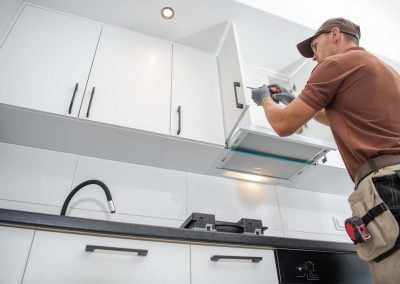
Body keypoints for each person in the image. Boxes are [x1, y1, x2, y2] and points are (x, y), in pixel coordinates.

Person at [251, 17, 400, 284]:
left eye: (315, 47)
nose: (313, 57)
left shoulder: (335, 64)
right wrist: (295, 101)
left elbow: (284, 125)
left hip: (387, 184)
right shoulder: (386, 72)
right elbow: (340, 116)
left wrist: (264, 99)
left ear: (334, 34)